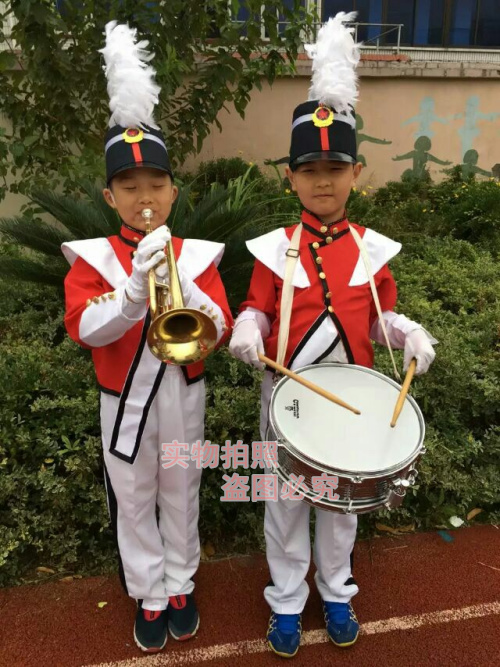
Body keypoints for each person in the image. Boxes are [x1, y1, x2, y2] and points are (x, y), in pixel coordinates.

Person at [229, 13, 436, 659]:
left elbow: (377, 317)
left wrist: (407, 331)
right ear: (290, 176)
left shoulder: (372, 249)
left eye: (336, 167)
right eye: (310, 168)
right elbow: (259, 309)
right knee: (285, 506)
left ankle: (338, 590)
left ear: (357, 172)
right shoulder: (273, 249)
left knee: (342, 507)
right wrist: (247, 327)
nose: (323, 179)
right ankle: (287, 602)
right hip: (287, 400)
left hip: (353, 398)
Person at [62, 22, 232, 654]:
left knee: (182, 491)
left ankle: (181, 583)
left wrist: (198, 304)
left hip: (183, 394)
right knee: (133, 497)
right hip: (122, 397)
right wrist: (132, 292)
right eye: (130, 188)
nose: (145, 197)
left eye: (156, 185)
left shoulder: (198, 254)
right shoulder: (92, 258)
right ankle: (149, 592)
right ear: (110, 197)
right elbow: (85, 327)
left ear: (173, 191)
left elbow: (219, 326)